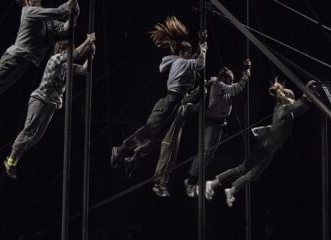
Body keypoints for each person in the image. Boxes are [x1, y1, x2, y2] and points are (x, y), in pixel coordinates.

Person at [109, 16, 207, 171]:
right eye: (188, 52)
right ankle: (120, 149)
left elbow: (195, 58)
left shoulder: (183, 61)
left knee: (158, 139)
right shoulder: (181, 62)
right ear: (181, 53)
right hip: (170, 102)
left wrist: (201, 42)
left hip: (175, 104)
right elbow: (200, 63)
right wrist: (204, 48)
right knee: (148, 131)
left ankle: (132, 159)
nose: (190, 54)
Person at [205, 79, 315, 207]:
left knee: (254, 174)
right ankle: (212, 183)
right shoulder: (283, 109)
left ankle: (231, 190)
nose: (293, 100)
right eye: (292, 97)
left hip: (270, 150)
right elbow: (299, 105)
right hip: (264, 148)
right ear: (285, 99)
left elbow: (301, 108)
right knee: (242, 169)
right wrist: (307, 91)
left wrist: (309, 98)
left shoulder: (288, 112)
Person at [3, 33, 96, 178]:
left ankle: (13, 159)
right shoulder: (55, 59)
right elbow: (76, 54)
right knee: (29, 130)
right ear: (63, 50)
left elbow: (84, 70)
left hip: (51, 104)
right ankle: (11, 159)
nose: (71, 51)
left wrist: (91, 54)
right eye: (69, 49)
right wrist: (88, 41)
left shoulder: (67, 66)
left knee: (37, 136)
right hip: (40, 99)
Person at [179, 60, 252, 198]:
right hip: (211, 123)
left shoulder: (224, 87)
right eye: (230, 80)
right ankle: (190, 181)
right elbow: (236, 88)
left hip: (219, 124)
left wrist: (245, 74)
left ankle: (193, 180)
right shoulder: (218, 85)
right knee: (204, 153)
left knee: (209, 156)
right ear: (224, 78)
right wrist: (245, 76)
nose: (231, 82)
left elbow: (234, 89)